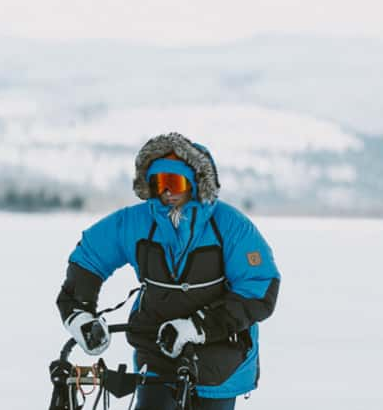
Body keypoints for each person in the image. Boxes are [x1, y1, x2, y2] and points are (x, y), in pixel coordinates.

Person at [54, 133, 280, 409]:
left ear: (195, 185)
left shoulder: (230, 226)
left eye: (174, 183)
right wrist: (81, 315)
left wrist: (197, 327)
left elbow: (259, 287)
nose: (167, 193)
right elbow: (89, 256)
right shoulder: (136, 222)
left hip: (221, 356)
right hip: (157, 351)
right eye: (159, 184)